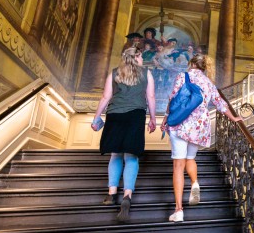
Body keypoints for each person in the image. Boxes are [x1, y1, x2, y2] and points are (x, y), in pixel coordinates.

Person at [161, 54, 242, 222]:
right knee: (190, 158)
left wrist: (165, 118)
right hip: (199, 127)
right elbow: (220, 103)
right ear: (204, 67)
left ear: (191, 63)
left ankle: (178, 210)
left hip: (181, 124)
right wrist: (234, 118)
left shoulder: (183, 76)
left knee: (178, 165)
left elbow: (173, 98)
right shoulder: (208, 83)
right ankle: (195, 183)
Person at [91, 46, 157, 222]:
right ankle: (127, 196)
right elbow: (150, 97)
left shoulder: (115, 72)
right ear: (136, 57)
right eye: (141, 56)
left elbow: (105, 97)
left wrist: (96, 118)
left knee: (115, 155)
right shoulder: (147, 73)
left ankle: (111, 194)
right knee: (131, 157)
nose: (142, 59)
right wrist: (152, 119)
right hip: (136, 115)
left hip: (115, 115)